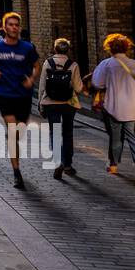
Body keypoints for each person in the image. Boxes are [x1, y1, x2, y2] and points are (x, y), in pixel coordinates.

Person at [0, 12, 40, 190]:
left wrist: (31, 80)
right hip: (5, 93)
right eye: (11, 25)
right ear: (4, 27)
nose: (14, 27)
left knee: (19, 133)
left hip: (23, 95)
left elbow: (36, 66)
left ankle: (13, 142)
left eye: (17, 25)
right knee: (12, 130)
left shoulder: (27, 48)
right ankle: (17, 172)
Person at [91, 34, 135, 184]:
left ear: (109, 48)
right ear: (127, 48)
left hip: (114, 107)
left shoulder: (106, 64)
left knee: (116, 137)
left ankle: (113, 165)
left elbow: (97, 83)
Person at [38, 37, 86, 181]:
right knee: (68, 133)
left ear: (55, 49)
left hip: (51, 103)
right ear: (68, 50)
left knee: (55, 132)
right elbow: (78, 88)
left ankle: (58, 161)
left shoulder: (48, 62)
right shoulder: (73, 65)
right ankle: (68, 165)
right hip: (68, 104)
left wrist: (40, 102)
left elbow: (42, 86)